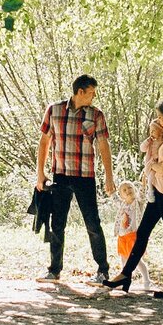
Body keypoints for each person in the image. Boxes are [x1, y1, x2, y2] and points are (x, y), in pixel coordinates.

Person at [105, 99, 163, 298]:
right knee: (142, 233)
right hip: (158, 190)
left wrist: (150, 166)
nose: (159, 121)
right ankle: (125, 275)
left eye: (161, 117)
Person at [36, 75, 116, 284]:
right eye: (91, 93)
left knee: (92, 223)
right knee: (57, 224)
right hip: (60, 175)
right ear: (80, 92)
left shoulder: (96, 115)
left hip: (85, 176)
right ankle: (54, 270)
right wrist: (40, 173)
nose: (94, 97)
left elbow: (103, 146)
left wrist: (109, 176)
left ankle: (103, 270)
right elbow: (44, 142)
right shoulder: (54, 110)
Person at [112, 180, 151, 294]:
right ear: (121, 195)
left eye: (130, 188)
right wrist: (111, 192)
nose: (128, 191)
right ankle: (124, 279)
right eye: (124, 190)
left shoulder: (137, 203)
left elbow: (143, 196)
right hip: (122, 236)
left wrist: (144, 185)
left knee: (137, 260)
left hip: (133, 235)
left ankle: (147, 281)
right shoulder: (123, 205)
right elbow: (114, 198)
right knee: (123, 260)